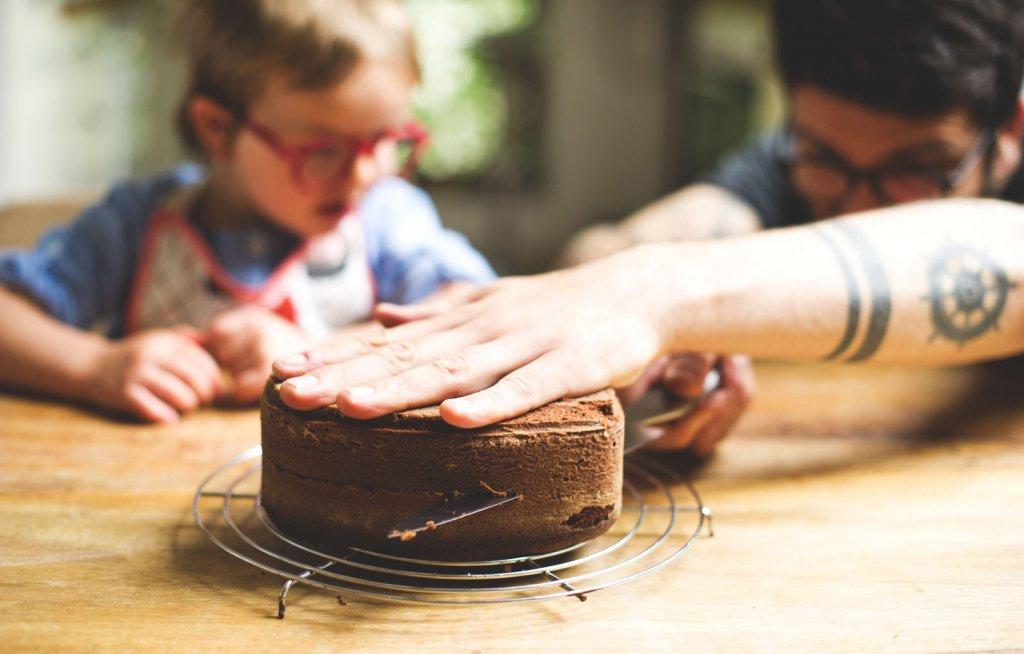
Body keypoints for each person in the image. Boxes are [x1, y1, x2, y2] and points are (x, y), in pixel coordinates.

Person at [271, 0, 1024, 445]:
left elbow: (1002, 251)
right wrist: (624, 302)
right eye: (825, 157)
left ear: (1011, 128)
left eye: (915, 170)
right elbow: (612, 247)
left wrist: (665, 296)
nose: (860, 201)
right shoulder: (799, 160)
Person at [0, 0, 494, 424]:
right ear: (217, 128)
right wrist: (95, 368)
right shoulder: (133, 223)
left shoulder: (387, 218)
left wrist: (319, 355)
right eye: (323, 150)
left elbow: (479, 316)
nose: (363, 174)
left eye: (387, 140)